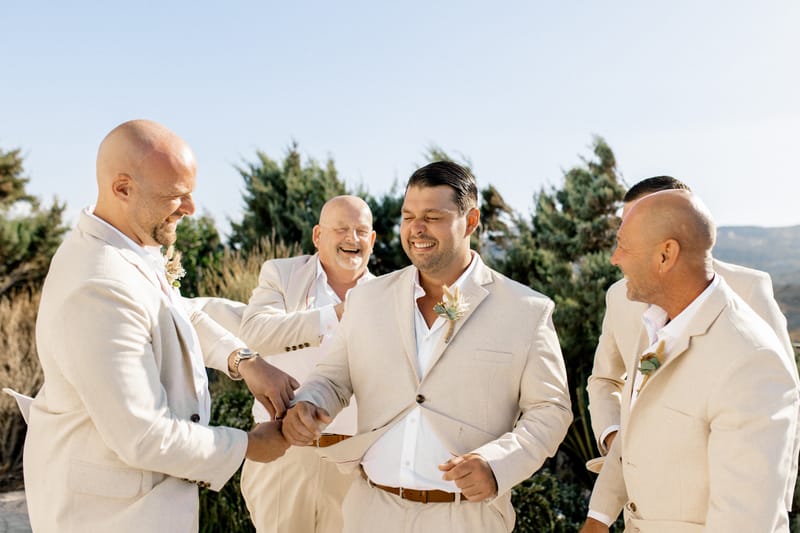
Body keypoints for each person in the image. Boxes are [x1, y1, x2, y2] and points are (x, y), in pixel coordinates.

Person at [23, 119, 298, 533]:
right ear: (122, 188)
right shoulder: (98, 284)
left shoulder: (127, 247)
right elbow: (145, 435)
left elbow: (174, 312)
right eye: (176, 196)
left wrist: (244, 361)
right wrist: (248, 445)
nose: (191, 209)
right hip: (111, 517)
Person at [281, 161, 572, 533]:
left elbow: (550, 410)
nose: (416, 229)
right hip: (370, 511)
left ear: (470, 221)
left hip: (465, 518)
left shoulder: (526, 310)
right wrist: (310, 402)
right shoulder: (367, 298)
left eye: (432, 216)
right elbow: (334, 376)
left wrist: (497, 464)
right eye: (408, 216)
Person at [581, 190, 800, 532]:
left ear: (666, 255)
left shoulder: (752, 360)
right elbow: (636, 422)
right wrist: (599, 516)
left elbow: (744, 521)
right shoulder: (656, 323)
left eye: (624, 246)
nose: (614, 258)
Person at [237, 195, 376, 533]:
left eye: (361, 231)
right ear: (317, 236)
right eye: (341, 228)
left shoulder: (386, 294)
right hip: (283, 452)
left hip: (353, 461)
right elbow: (254, 331)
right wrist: (333, 316)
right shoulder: (282, 274)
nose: (352, 239)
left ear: (372, 240)